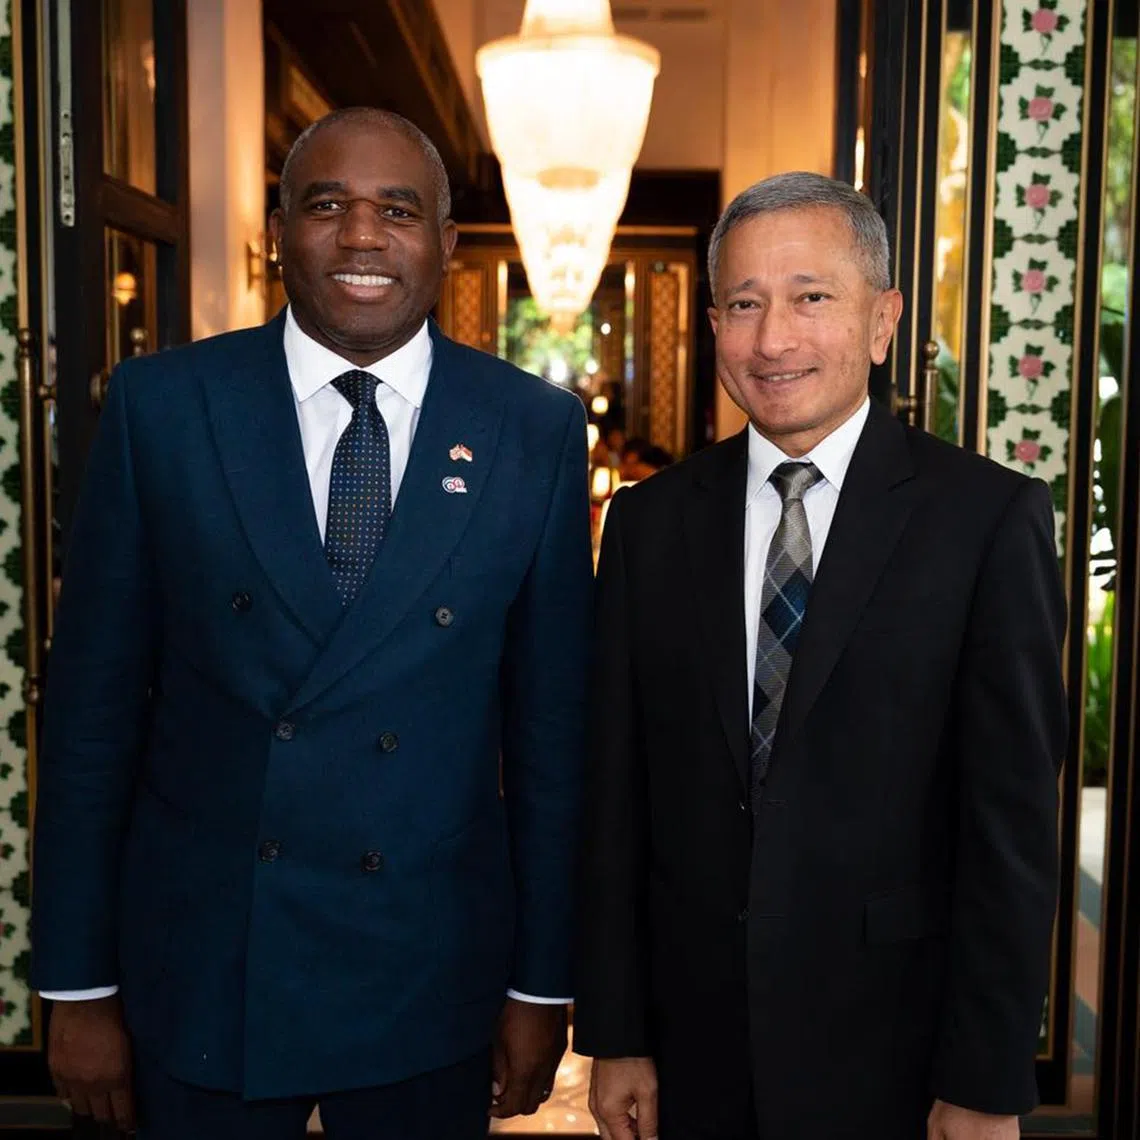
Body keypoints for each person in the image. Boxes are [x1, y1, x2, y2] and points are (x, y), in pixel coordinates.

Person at [32, 108, 592, 1140]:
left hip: (429, 970)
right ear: (281, 229)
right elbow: (90, 721)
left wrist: (539, 984)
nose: (364, 236)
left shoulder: (533, 430)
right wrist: (74, 984)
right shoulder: (165, 406)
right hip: (204, 967)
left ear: (447, 245)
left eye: (398, 209)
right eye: (328, 204)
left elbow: (552, 742)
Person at [574, 172, 1066, 1140]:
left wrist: (985, 1079)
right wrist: (618, 1032)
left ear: (882, 321)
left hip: (899, 1049)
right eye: (745, 305)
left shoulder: (986, 520)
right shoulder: (650, 524)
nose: (774, 339)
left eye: (811, 298)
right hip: (693, 1048)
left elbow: (1011, 831)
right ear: (714, 325)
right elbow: (615, 797)